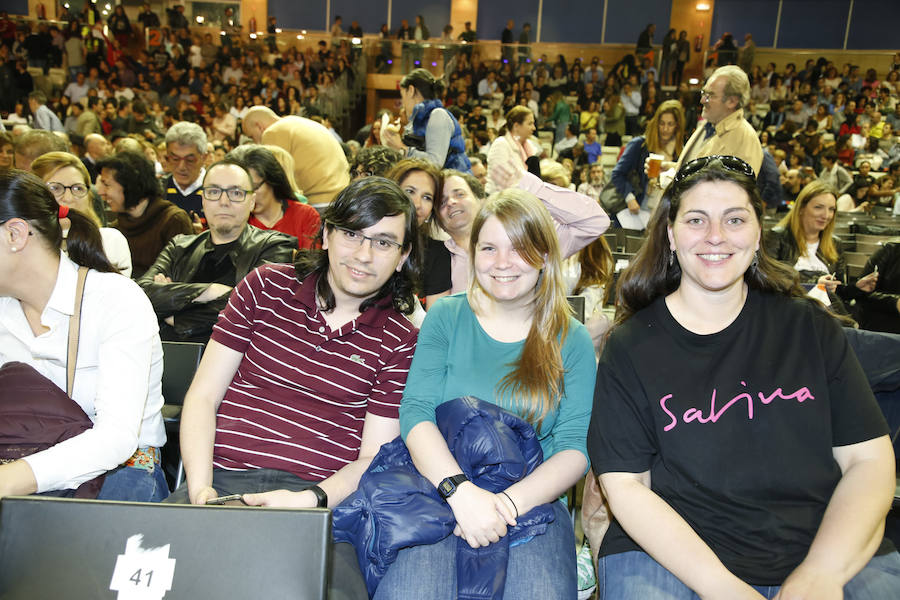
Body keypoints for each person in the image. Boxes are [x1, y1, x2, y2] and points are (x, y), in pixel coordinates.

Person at [588, 155, 900, 599]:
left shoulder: (810, 329)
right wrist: (724, 588)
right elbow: (626, 486)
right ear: (672, 236)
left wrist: (821, 574)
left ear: (758, 233)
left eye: (735, 219)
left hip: (820, 543)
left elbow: (868, 462)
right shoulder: (632, 345)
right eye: (697, 220)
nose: (716, 236)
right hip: (675, 555)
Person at [168, 177, 422, 598]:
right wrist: (200, 488)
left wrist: (312, 500)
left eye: (383, 243)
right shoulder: (264, 288)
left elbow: (372, 458)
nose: (362, 255)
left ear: (402, 257)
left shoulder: (400, 340)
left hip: (319, 506)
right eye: (352, 234)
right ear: (326, 234)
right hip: (220, 482)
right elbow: (203, 396)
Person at [374, 189, 596, 598]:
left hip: (532, 500)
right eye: (489, 248)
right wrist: (459, 492)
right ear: (472, 253)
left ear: (545, 256)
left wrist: (504, 506)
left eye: (519, 249)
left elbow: (573, 448)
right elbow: (416, 412)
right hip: (437, 484)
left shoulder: (572, 339)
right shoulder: (447, 316)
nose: (502, 263)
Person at [0, 170, 167, 501]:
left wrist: (11, 479)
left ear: (16, 234)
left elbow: (116, 439)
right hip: (20, 468)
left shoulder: (115, 299)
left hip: (118, 475)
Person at [137, 160, 297, 343]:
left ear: (252, 201)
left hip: (240, 362)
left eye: (236, 193)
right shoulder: (179, 247)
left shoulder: (275, 246)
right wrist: (210, 291)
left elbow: (256, 306)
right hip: (174, 359)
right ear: (203, 199)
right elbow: (140, 294)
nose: (223, 202)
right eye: (213, 192)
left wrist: (176, 316)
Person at [437, 167, 610, 296]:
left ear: (481, 199)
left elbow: (595, 222)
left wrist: (536, 190)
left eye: (459, 194)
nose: (451, 202)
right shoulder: (434, 258)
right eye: (442, 202)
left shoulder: (528, 241)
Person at [766, 180, 878, 314]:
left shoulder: (835, 244)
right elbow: (768, 279)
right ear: (801, 208)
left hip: (825, 315)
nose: (826, 215)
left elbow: (838, 292)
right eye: (818, 207)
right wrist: (814, 283)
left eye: (831, 209)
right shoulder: (777, 236)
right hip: (786, 310)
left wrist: (857, 288)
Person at [32, 152, 132, 276]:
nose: (68, 198)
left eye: (78, 188)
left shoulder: (109, 241)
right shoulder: (18, 244)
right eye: (55, 188)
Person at [96, 150, 193, 278]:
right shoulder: (115, 229)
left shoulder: (173, 221)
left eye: (107, 185)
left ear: (130, 185)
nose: (101, 192)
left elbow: (183, 277)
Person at [242, 106, 350, 206]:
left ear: (259, 126)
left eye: (252, 137)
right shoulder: (301, 122)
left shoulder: (273, 131)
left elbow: (273, 182)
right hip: (342, 197)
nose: (255, 143)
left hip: (319, 202)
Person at [385, 158, 450, 310]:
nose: (417, 204)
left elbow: (434, 324)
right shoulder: (366, 241)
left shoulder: (438, 255)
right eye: (410, 191)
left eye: (427, 197)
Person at [227, 145, 321, 249]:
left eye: (254, 187)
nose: (249, 197)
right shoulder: (233, 220)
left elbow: (311, 262)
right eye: (237, 192)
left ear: (272, 180)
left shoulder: (305, 216)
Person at [677, 65, 763, 176]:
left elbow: (736, 189)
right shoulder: (707, 125)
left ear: (732, 101)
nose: (702, 100)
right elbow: (693, 171)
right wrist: (669, 169)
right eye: (704, 93)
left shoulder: (745, 139)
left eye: (710, 95)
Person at [381, 68, 471, 173]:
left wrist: (402, 148)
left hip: (453, 184)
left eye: (402, 96)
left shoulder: (438, 115)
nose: (403, 102)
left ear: (410, 90)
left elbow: (435, 163)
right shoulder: (417, 121)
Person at [611, 99, 686, 218]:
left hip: (666, 211)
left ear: (677, 126)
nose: (665, 128)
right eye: (662, 123)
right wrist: (629, 197)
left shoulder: (681, 150)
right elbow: (617, 174)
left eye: (670, 124)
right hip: (640, 208)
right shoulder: (640, 145)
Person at [486, 106, 540, 196]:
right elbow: (502, 181)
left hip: (522, 199)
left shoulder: (530, 147)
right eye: (530, 124)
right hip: (500, 200)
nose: (533, 128)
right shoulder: (501, 144)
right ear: (516, 126)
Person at [163, 122, 208, 225]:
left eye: (190, 160)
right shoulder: (157, 191)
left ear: (204, 158)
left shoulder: (218, 193)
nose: (181, 167)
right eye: (175, 159)